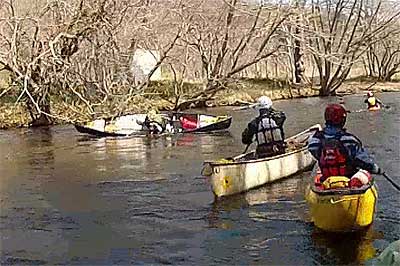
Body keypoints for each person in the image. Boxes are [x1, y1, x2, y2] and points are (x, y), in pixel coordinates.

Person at [308, 103, 381, 183]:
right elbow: (363, 161)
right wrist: (376, 169)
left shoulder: (314, 140)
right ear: (343, 120)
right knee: (366, 173)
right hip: (348, 180)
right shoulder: (350, 140)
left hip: (327, 180)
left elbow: (315, 153)